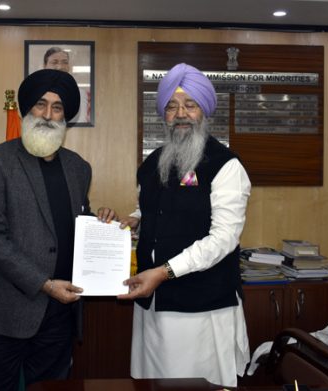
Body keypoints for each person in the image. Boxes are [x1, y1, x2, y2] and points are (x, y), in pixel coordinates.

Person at [0, 69, 116, 391]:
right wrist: (44, 284)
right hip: (6, 309)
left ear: (66, 116)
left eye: (58, 107)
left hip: (60, 311)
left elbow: (74, 221)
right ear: (27, 108)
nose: (48, 114)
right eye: (40, 104)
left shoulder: (78, 167)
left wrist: (99, 223)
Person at [111, 63, 252, 387]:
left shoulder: (227, 166)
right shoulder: (153, 162)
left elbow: (223, 239)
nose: (181, 113)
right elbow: (156, 207)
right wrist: (135, 218)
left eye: (190, 104)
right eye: (172, 106)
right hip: (152, 307)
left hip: (201, 310)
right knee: (153, 384)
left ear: (204, 110)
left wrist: (163, 272)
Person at [43, 47, 91, 124]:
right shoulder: (36, 93)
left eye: (65, 62)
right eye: (54, 62)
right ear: (45, 66)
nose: (60, 67)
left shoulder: (81, 94)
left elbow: (82, 123)